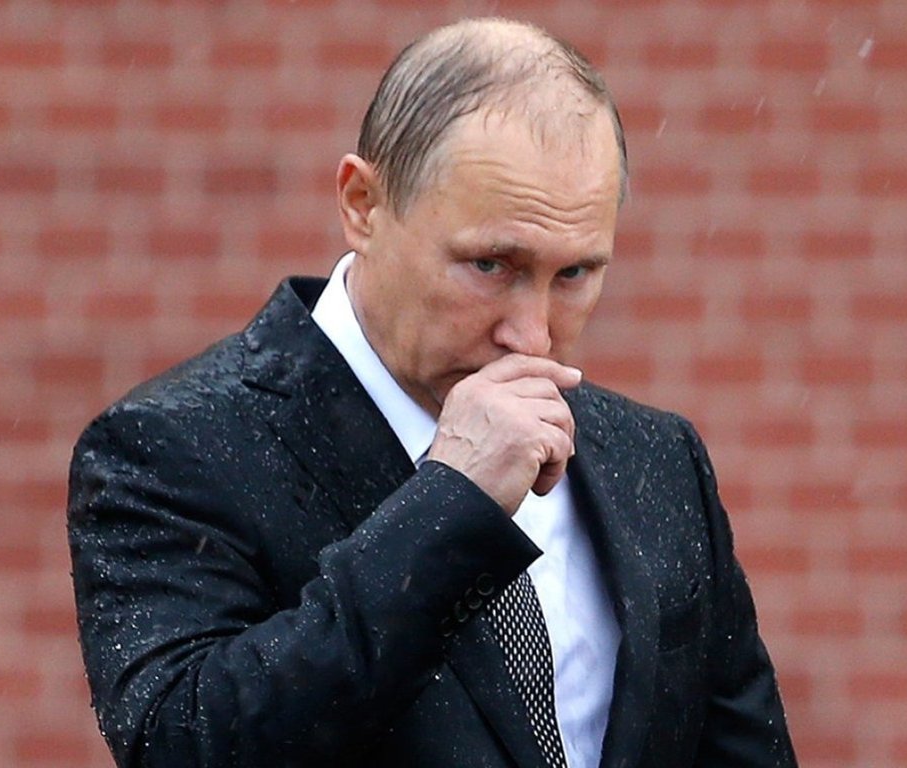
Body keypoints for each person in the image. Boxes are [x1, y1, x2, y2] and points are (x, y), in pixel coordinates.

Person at [68, 17, 796, 768]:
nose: (532, 336)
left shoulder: (657, 457)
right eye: (491, 265)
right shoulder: (170, 449)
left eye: (574, 274)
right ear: (362, 205)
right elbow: (184, 746)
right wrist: (453, 505)